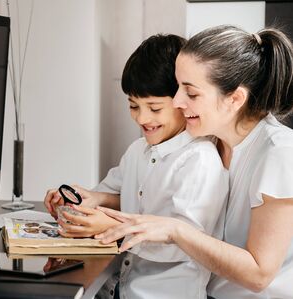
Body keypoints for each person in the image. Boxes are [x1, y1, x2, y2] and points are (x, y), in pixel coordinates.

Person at [97, 25, 293, 299]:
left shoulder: (279, 152)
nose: (177, 101)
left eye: (191, 93)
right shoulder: (211, 139)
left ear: (235, 99)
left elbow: (259, 275)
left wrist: (175, 230)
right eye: (178, 88)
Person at [44, 34, 229, 299]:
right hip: (119, 288)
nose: (142, 118)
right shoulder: (137, 151)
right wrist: (83, 202)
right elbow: (115, 196)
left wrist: (111, 230)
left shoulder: (199, 159)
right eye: (133, 106)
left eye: (154, 108)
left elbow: (186, 244)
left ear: (181, 101)